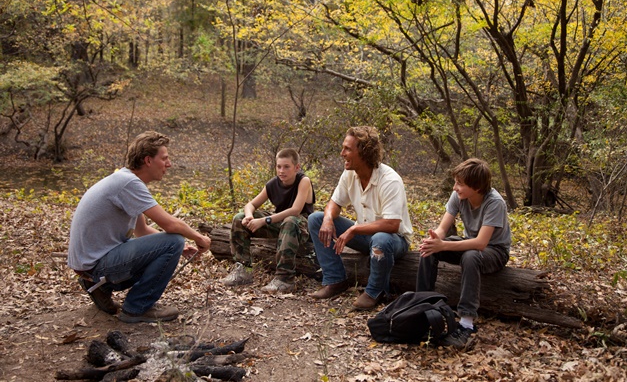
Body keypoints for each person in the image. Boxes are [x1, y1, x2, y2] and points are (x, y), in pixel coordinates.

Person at [67, 131, 211, 323]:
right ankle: (137, 308)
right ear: (148, 161)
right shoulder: (129, 183)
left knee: (175, 243)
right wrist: (199, 238)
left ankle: (100, 288)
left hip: (91, 266)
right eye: (165, 158)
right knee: (174, 239)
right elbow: (170, 224)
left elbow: (142, 231)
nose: (169, 164)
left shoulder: (124, 180)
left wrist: (181, 248)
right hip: (96, 265)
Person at [308, 126, 412, 310]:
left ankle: (375, 292)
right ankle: (335, 280)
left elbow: (392, 224)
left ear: (364, 152)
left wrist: (354, 229)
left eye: (348, 149)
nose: (342, 153)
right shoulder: (349, 174)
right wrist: (328, 219)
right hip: (365, 237)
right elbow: (335, 203)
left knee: (380, 238)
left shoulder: (390, 180)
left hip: (394, 241)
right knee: (316, 219)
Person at [415, 158, 511, 348]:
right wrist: (435, 240)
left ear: (476, 187)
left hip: (495, 251)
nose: (454, 188)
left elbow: (481, 243)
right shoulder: (459, 196)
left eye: (460, 184)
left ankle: (466, 323)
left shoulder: (495, 203)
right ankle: (421, 305)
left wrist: (443, 245)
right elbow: (443, 228)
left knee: (471, 256)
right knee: (429, 249)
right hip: (469, 244)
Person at [222, 148, 315, 293]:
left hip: (300, 225)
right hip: (279, 224)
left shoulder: (304, 181)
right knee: (239, 218)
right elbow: (250, 205)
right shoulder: (273, 183)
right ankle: (243, 269)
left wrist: (264, 221)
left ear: (297, 167)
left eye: (286, 167)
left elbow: (296, 210)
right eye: (278, 166)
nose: (281, 171)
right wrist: (249, 216)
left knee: (290, 220)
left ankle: (284, 279)